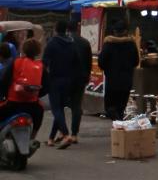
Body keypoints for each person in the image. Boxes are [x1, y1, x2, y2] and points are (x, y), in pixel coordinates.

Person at [0, 37, 47, 138]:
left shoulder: (16, 62)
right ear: (38, 51)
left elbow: (4, 81)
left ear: (23, 50)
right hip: (32, 106)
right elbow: (47, 86)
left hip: (13, 104)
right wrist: (35, 94)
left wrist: (5, 95)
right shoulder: (41, 66)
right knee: (40, 112)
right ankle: (33, 137)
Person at [42, 20, 77, 147]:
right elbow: (75, 62)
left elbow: (44, 63)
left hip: (55, 79)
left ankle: (66, 134)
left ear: (56, 29)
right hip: (68, 80)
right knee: (60, 109)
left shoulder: (52, 43)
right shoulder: (71, 44)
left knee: (56, 108)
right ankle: (51, 138)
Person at [99, 20, 140, 120]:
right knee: (121, 108)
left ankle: (117, 124)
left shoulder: (108, 44)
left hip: (112, 81)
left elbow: (101, 62)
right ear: (126, 31)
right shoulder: (131, 44)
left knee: (109, 107)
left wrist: (108, 70)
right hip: (126, 81)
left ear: (114, 31)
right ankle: (119, 125)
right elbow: (136, 62)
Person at [64, 18, 93, 146]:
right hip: (80, 78)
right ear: (78, 28)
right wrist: (87, 77)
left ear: (67, 29)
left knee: (60, 106)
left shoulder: (64, 42)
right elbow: (89, 63)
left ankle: (62, 133)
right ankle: (74, 134)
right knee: (77, 106)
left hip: (65, 78)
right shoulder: (85, 43)